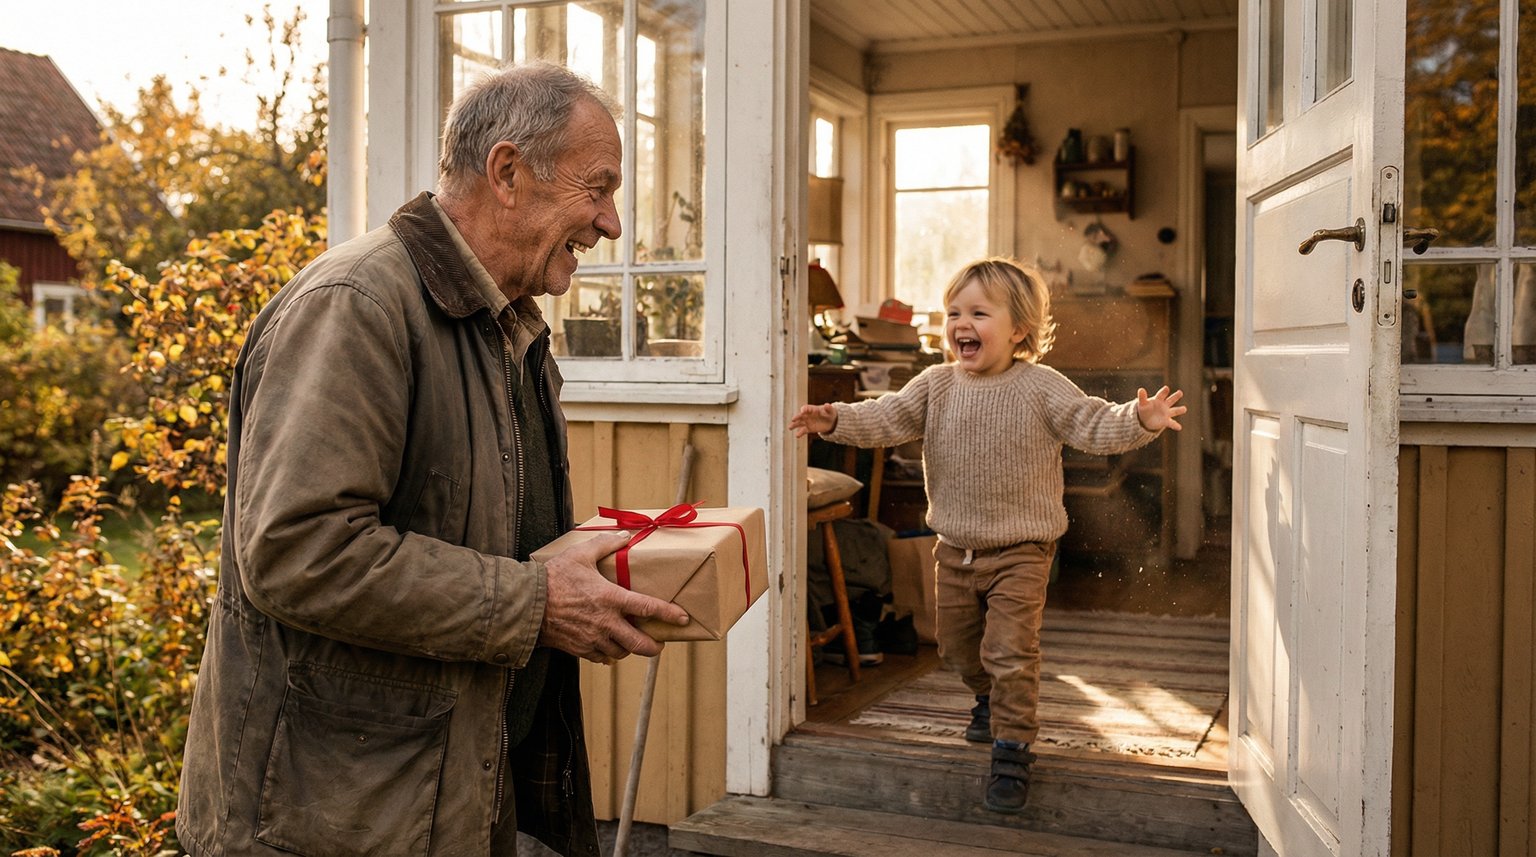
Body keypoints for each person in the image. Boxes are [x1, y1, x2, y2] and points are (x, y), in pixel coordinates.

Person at [176, 61, 691, 857]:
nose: (611, 223)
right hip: (331, 821)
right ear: (509, 173)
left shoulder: (506, 323)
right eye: (599, 188)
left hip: (444, 794)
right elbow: (297, 551)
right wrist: (535, 601)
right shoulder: (357, 306)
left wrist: (582, 568)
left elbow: (473, 531)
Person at [789, 256, 1185, 814]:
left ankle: (1012, 748)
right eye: (954, 312)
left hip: (1023, 550)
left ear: (1019, 329)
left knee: (1010, 652)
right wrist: (836, 420)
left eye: (978, 312)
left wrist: (1137, 421)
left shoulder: (1041, 387)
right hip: (954, 548)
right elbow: (889, 416)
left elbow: (1089, 422)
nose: (961, 323)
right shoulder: (935, 385)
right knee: (954, 647)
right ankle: (985, 697)